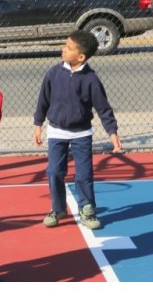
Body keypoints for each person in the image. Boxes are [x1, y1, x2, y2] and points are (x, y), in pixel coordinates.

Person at [33, 29, 122, 231]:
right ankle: (57, 209)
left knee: (84, 174)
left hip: (82, 133)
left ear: (81, 56)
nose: (63, 49)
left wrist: (112, 132)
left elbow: (103, 107)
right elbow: (43, 101)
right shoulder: (53, 73)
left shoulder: (91, 79)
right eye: (65, 45)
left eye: (69, 48)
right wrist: (38, 124)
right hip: (56, 132)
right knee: (55, 171)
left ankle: (87, 208)